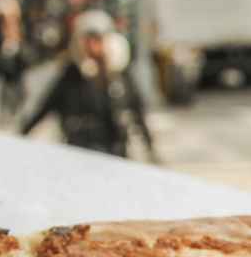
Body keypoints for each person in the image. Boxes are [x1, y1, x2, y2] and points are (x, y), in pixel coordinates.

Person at [20, 9, 158, 161]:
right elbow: (46, 106)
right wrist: (21, 135)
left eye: (98, 39)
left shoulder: (120, 75)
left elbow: (137, 111)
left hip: (115, 153)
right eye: (88, 40)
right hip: (80, 154)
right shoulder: (71, 76)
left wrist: (150, 149)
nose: (93, 46)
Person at [0, 0, 30, 114]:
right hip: (7, 71)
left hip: (18, 70)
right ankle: (9, 109)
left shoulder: (21, 29)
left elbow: (27, 54)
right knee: (8, 94)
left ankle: (15, 108)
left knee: (19, 94)